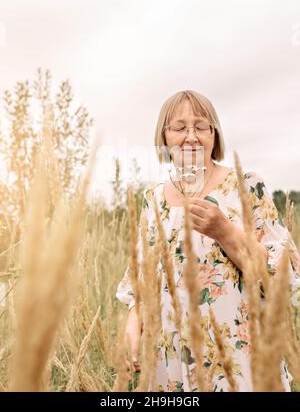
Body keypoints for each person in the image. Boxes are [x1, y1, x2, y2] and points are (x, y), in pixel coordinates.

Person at [116, 90, 300, 392]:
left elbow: (284, 277)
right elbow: (142, 281)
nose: (191, 137)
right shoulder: (153, 199)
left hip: (236, 361)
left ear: (214, 136)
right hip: (169, 366)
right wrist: (132, 328)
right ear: (164, 137)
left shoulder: (246, 185)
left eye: (201, 127)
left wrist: (225, 232)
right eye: (179, 127)